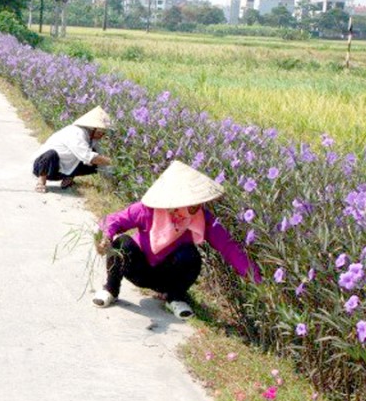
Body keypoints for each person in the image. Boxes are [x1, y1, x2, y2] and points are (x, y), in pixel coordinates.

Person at [93, 159, 262, 319]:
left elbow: (228, 246)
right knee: (122, 243)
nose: (196, 208)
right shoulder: (147, 210)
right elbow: (113, 220)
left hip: (168, 276)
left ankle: (175, 298)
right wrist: (105, 237)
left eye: (197, 203)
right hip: (139, 268)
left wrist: (255, 278)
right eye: (190, 203)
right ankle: (111, 289)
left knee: (191, 255)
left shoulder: (203, 218)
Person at [32, 106, 112, 193]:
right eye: (100, 132)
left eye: (103, 132)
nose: (102, 135)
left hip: (62, 169)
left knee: (95, 160)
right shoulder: (76, 133)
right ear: (93, 128)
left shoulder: (91, 138)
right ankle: (41, 181)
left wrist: (110, 173)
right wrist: (113, 162)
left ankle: (68, 178)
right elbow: (88, 157)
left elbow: (98, 156)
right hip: (45, 167)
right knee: (51, 154)